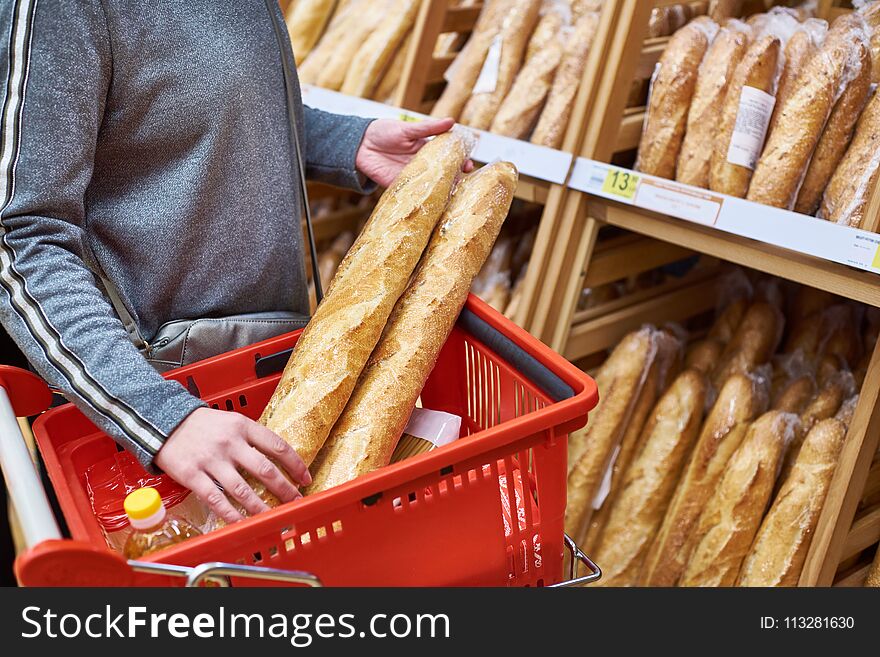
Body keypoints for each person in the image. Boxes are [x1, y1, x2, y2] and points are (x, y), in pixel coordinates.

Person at [0, 1, 460, 526]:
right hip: (157, 412)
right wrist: (162, 418)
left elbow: (186, 107)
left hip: (262, 371)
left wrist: (344, 142)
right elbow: (20, 240)